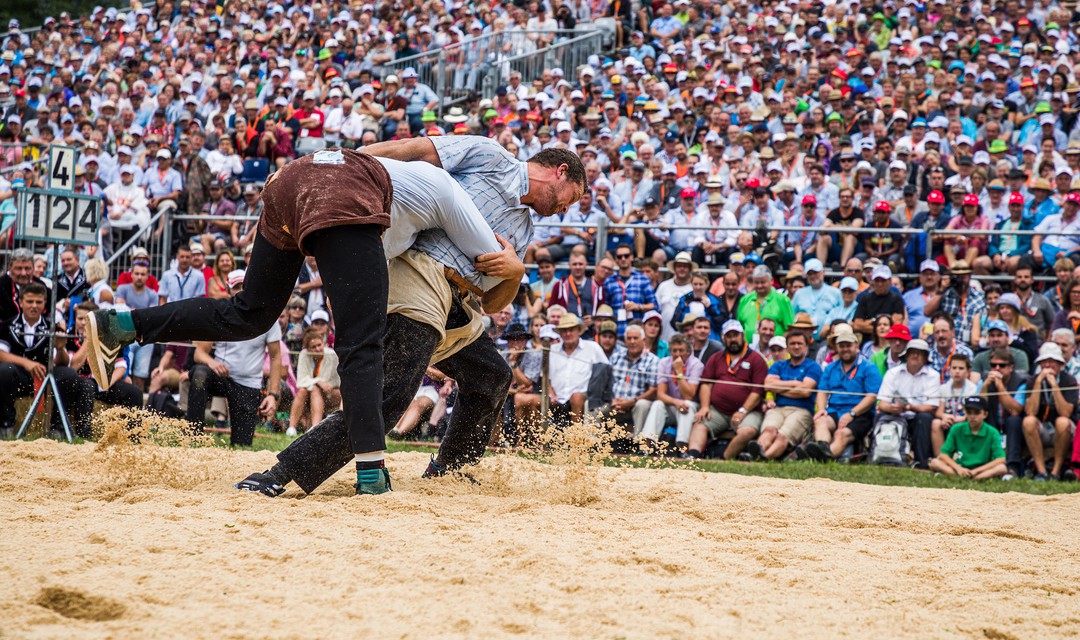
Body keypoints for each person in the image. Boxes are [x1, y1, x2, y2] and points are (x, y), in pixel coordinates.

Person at [86, 146, 518, 495]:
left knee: (248, 313)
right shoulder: (448, 191)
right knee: (360, 344)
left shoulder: (390, 171)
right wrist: (516, 268)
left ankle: (122, 325)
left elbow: (347, 167)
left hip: (291, 180)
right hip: (341, 202)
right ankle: (370, 472)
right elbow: (487, 261)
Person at [0, 284, 83, 438]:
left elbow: (63, 363)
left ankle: (58, 428)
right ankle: (6, 424)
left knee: (69, 375)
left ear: (45, 303)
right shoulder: (8, 325)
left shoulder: (52, 327)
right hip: (18, 377)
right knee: (3, 371)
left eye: (38, 302)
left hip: (45, 376)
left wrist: (60, 348)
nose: (34, 306)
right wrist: (26, 363)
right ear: (21, 302)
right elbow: (1, 354)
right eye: (30, 301)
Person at [686, 320, 768, 460]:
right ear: (723, 338)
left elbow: (758, 391)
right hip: (719, 410)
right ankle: (692, 457)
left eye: (736, 335)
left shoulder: (756, 359)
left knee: (747, 431)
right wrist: (705, 406)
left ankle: (724, 459)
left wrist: (743, 411)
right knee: (700, 423)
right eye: (729, 336)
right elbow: (706, 383)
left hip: (748, 411)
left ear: (742, 336)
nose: (733, 339)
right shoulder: (717, 358)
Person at [805, 324, 882, 462]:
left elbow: (872, 396)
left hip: (861, 414)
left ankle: (823, 458)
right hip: (835, 409)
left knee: (841, 434)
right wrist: (822, 410)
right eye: (841, 346)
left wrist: (852, 414)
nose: (845, 349)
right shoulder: (830, 367)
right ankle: (822, 449)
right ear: (836, 348)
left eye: (848, 345)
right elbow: (822, 391)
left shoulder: (868, 367)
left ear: (856, 346)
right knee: (820, 421)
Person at [748, 331, 822, 461]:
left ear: (806, 347)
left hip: (801, 411)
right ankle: (758, 455)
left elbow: (805, 391)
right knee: (769, 431)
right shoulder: (778, 365)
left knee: (783, 436)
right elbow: (768, 385)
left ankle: (760, 459)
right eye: (792, 344)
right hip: (778, 408)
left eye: (799, 343)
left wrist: (780, 388)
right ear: (787, 347)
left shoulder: (813, 366)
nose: (796, 346)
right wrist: (794, 383)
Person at [875, 339, 941, 469]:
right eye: (912, 352)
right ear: (906, 355)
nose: (915, 356)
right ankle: (881, 456)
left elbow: (931, 406)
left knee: (924, 418)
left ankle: (921, 463)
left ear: (925, 357)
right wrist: (892, 408)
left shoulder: (933, 375)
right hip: (896, 415)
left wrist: (909, 407)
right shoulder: (893, 373)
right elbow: (882, 403)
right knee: (880, 416)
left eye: (919, 353)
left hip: (917, 415)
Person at [1020, 343, 1078, 482]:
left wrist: (1054, 386)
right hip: (1043, 429)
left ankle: (1055, 472)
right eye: (1044, 362)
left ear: (1059, 364)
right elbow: (1030, 411)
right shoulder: (1033, 381)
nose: (1048, 365)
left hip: (1065, 430)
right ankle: (1041, 472)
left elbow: (1066, 412)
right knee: (1028, 421)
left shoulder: (1068, 380)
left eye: (1052, 361)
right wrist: (1038, 383)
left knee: (1062, 422)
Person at [640, 334, 702, 453]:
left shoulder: (696, 365)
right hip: (672, 404)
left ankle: (682, 449)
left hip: (690, 408)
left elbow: (689, 395)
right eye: (674, 350)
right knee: (657, 404)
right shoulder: (663, 363)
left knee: (687, 405)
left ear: (688, 351)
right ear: (670, 351)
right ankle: (647, 447)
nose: (678, 354)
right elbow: (661, 394)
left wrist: (679, 373)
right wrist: (675, 402)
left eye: (681, 350)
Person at [929, 397, 1008, 480]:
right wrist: (959, 468)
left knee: (1001, 468)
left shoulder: (992, 432)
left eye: (977, 413)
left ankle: (966, 477)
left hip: (982, 469)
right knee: (935, 462)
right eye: (969, 412)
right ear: (965, 413)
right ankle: (975, 478)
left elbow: (1001, 459)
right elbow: (943, 454)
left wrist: (976, 471)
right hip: (961, 468)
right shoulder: (956, 429)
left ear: (985, 414)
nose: (972, 416)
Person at [549, 313, 609, 423]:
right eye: (564, 330)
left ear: (579, 331)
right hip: (555, 397)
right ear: (560, 334)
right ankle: (532, 438)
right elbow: (545, 378)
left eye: (571, 330)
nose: (568, 333)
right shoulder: (552, 350)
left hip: (584, 396)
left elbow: (605, 372)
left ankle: (576, 438)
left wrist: (595, 393)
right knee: (527, 399)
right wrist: (551, 395)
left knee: (576, 397)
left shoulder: (592, 347)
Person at [608, 324, 659, 437]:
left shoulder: (652, 360)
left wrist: (632, 401)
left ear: (643, 340)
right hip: (614, 402)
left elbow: (653, 391)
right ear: (625, 341)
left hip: (637, 402)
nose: (632, 341)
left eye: (635, 338)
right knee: (591, 404)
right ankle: (591, 445)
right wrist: (612, 400)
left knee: (642, 405)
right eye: (629, 338)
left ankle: (639, 444)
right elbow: (607, 384)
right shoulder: (615, 358)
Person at [289, 327, 341, 437]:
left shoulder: (331, 355)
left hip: (333, 394)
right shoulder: (304, 354)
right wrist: (317, 381)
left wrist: (317, 382)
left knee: (314, 389)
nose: (317, 349)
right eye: (313, 347)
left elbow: (329, 385)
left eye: (319, 345)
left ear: (324, 343)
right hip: (312, 393)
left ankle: (314, 428)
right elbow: (301, 382)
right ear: (307, 349)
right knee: (304, 390)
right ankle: (291, 428)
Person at [931, 353, 979, 456]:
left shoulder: (972, 389)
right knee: (936, 423)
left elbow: (972, 412)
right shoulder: (944, 388)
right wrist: (945, 417)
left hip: (964, 420)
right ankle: (941, 457)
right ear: (949, 370)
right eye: (954, 368)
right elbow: (939, 412)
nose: (957, 371)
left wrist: (959, 419)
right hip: (948, 420)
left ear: (968, 372)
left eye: (961, 368)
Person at [736, 265, 794, 342]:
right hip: (748, 350)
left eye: (763, 282)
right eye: (756, 282)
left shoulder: (782, 300)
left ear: (771, 281)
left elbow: (790, 329)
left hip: (774, 350)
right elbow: (740, 327)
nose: (759, 286)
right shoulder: (745, 300)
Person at [791, 259, 841, 341]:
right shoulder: (799, 293)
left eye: (816, 272)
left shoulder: (835, 293)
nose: (813, 276)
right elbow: (792, 315)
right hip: (804, 340)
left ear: (823, 272)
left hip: (828, 339)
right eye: (810, 273)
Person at [653, 252, 694, 341]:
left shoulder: (693, 288)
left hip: (687, 339)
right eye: (679, 266)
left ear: (690, 269)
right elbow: (656, 309)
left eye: (685, 266)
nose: (682, 269)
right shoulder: (663, 286)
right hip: (664, 337)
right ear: (674, 268)